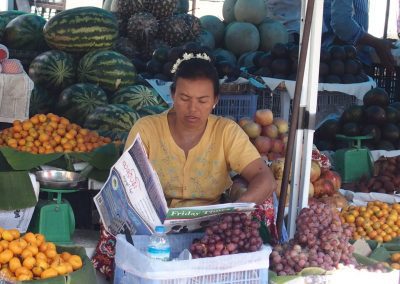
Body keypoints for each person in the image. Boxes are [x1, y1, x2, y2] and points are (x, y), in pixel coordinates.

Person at [124, 52, 276, 208]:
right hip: (153, 223)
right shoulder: (146, 130)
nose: (192, 108)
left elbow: (265, 178)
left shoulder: (226, 131)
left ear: (215, 100)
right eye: (184, 99)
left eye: (202, 101)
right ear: (172, 95)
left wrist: (236, 210)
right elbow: (127, 185)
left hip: (212, 224)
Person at [323, 0, 395, 69]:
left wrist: (375, 41)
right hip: (339, 62)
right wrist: (375, 42)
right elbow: (342, 24)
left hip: (353, 62)